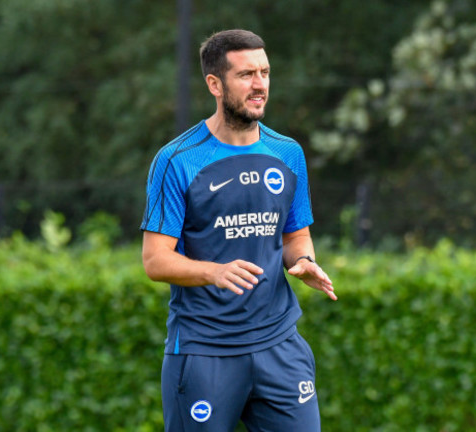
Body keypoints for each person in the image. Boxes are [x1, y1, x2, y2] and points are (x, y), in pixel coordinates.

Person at [140, 29, 337, 432]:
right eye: (246, 75)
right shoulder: (176, 160)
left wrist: (303, 261)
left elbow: (294, 236)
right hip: (204, 351)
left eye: (264, 72)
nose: (260, 84)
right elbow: (155, 260)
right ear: (215, 83)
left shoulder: (287, 153)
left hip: (279, 344)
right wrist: (214, 271)